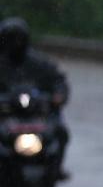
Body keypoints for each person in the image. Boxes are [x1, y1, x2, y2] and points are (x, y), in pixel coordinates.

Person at [0, 17, 70, 175]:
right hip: (5, 114)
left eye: (18, 39)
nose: (15, 44)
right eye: (11, 40)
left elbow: (58, 81)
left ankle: (56, 167)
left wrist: (59, 96)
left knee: (60, 131)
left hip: (35, 113)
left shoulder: (39, 63)